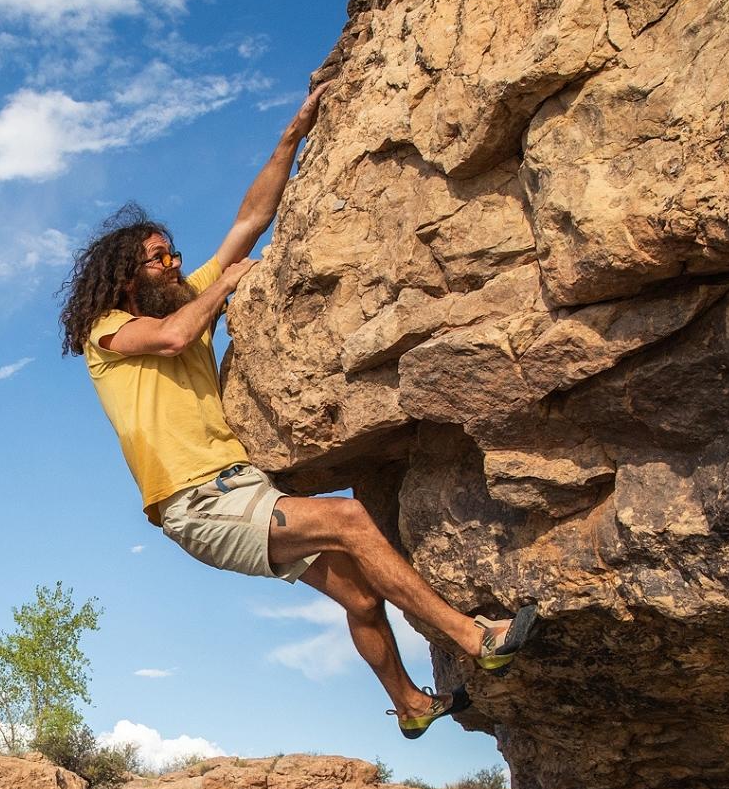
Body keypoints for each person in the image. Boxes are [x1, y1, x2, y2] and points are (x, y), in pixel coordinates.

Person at [57, 78, 535, 738]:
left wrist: (293, 133)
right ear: (127, 275)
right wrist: (224, 285)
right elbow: (172, 338)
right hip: (196, 499)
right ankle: (477, 639)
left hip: (240, 487)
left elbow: (250, 221)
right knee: (348, 518)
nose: (175, 262)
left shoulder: (184, 297)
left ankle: (412, 706)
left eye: (175, 253)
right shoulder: (108, 330)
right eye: (159, 258)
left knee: (361, 595)